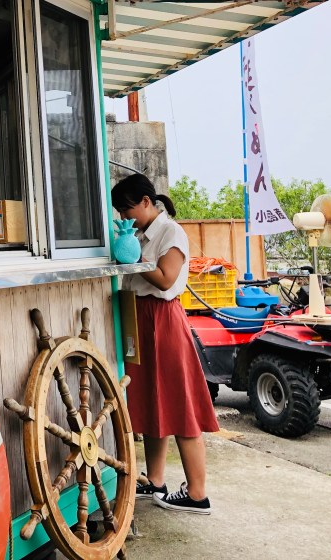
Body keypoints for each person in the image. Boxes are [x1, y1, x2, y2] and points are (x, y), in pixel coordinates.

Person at [112, 174, 218, 515]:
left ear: (146, 202)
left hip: (163, 319)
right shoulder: (138, 234)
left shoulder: (171, 232)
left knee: (180, 403)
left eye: (126, 209)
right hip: (141, 318)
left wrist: (131, 260)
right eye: (119, 212)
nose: (123, 217)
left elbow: (165, 279)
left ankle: (197, 494)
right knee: (152, 402)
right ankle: (156, 481)